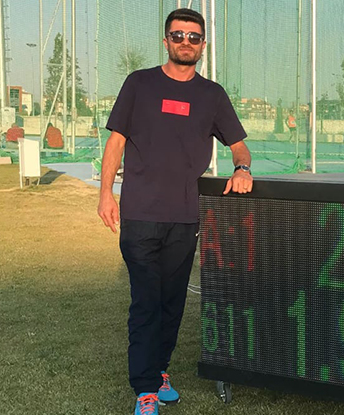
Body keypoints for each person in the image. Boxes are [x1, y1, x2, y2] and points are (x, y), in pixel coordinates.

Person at [96, 9, 253, 415]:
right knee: (146, 301)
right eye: (178, 35)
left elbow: (239, 146)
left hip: (185, 217)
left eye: (194, 37)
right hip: (140, 215)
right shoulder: (139, 83)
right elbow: (116, 142)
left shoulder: (212, 95)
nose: (186, 42)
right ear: (165, 40)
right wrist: (105, 193)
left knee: (172, 303)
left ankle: (160, 370)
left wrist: (242, 168)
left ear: (203, 45)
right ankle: (145, 388)